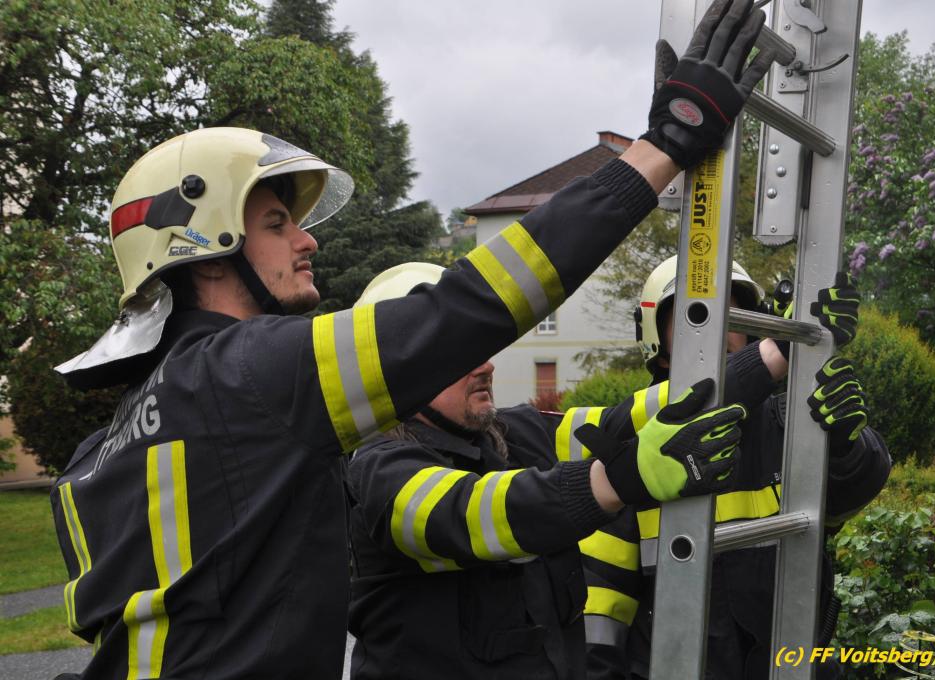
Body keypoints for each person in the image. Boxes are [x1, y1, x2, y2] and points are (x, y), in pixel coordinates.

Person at [47, 1, 773, 677]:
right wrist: (665, 145)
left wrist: (776, 353)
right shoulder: (245, 374)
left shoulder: (104, 448)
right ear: (205, 252)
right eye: (275, 224)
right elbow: (469, 310)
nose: (306, 241)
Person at [346, 262, 746, 679]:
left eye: (482, 345)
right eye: (458, 351)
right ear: (394, 371)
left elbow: (625, 419)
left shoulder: (514, 434)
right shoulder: (379, 470)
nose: (486, 365)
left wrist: (770, 356)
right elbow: (474, 512)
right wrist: (616, 481)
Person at [583, 257, 892, 680]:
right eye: (695, 314)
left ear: (751, 329)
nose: (713, 328)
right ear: (657, 339)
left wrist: (844, 446)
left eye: (731, 312)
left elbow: (847, 497)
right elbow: (601, 609)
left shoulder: (786, 421)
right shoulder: (633, 443)